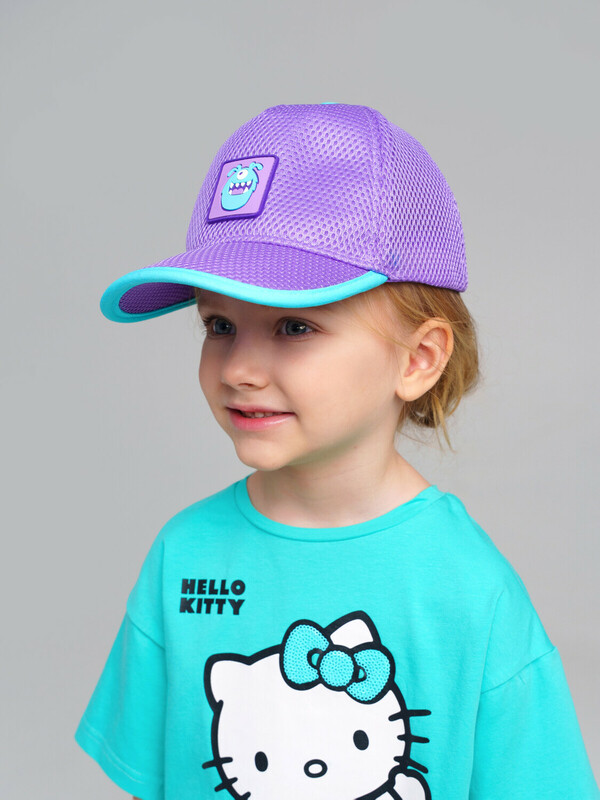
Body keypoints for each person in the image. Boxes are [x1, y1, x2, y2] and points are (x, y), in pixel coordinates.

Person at [75, 103, 599, 800]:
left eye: (294, 326)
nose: (239, 368)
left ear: (418, 358)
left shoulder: (469, 590)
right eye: (219, 325)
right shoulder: (184, 556)